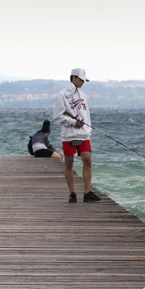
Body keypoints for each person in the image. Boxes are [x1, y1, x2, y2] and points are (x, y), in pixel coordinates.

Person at [53, 68, 101, 203]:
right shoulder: (61, 95)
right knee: (69, 162)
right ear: (73, 78)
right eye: (80, 79)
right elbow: (57, 117)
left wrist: (87, 131)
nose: (82, 82)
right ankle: (72, 193)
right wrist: (73, 122)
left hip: (83, 134)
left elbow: (87, 116)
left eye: (84, 80)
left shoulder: (83, 95)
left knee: (87, 160)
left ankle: (87, 192)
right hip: (68, 135)